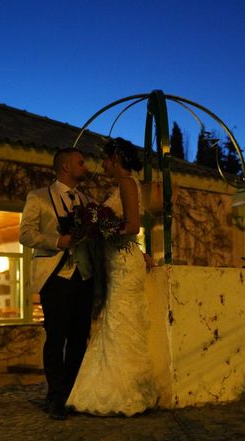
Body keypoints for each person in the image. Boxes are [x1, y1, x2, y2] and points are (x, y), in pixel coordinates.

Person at [67, 137, 159, 416]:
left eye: (106, 159)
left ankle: (124, 392)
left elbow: (132, 226)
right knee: (114, 321)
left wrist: (101, 229)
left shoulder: (128, 184)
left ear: (116, 159)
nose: (103, 164)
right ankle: (112, 386)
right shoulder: (122, 186)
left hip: (122, 264)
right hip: (116, 261)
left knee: (121, 321)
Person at [19, 147, 94, 420]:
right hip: (55, 278)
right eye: (81, 162)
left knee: (79, 338)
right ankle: (55, 396)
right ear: (65, 167)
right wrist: (56, 241)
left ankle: (73, 393)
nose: (85, 167)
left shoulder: (87, 200)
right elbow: (25, 234)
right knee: (55, 338)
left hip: (84, 276)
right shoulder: (38, 197)